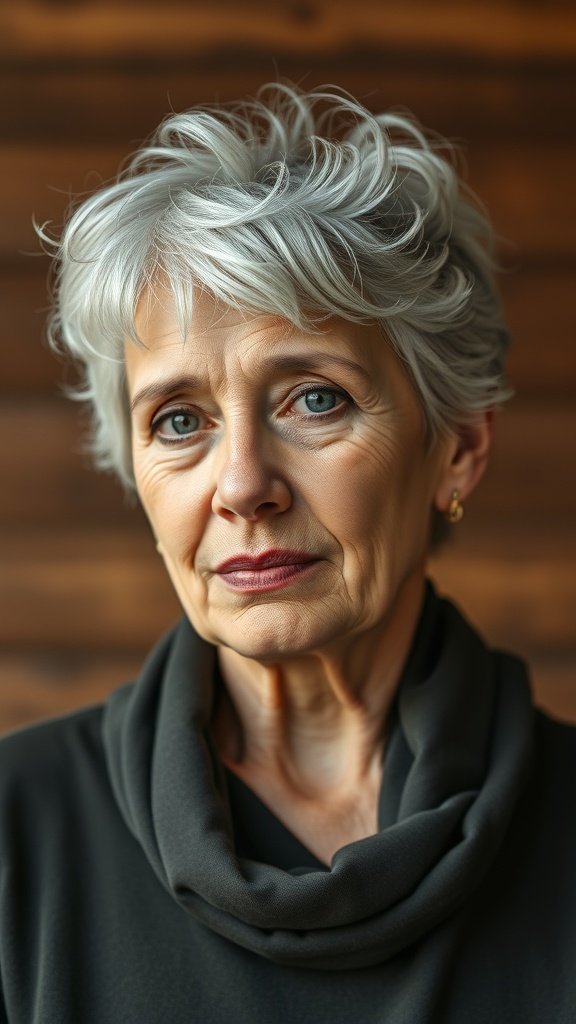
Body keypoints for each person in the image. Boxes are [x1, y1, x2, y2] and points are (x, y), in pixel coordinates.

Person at [0, 83, 574, 1024]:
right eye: (179, 420)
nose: (240, 485)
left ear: (458, 447)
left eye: (315, 398)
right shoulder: (17, 832)